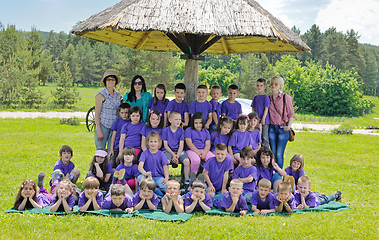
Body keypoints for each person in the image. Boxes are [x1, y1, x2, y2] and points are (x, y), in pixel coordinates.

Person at [268, 76, 295, 169]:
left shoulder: (285, 97)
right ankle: (273, 173)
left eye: (275, 84)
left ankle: (279, 174)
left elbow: (291, 114)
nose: (273, 85)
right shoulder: (269, 98)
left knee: (279, 154)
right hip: (272, 128)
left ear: (280, 86)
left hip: (283, 128)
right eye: (271, 83)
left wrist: (288, 126)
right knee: (273, 153)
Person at [95, 70, 123, 152]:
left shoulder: (119, 95)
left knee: (111, 152)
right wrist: (99, 130)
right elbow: (97, 115)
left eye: (113, 79)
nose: (111, 81)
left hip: (114, 127)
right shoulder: (100, 95)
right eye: (108, 79)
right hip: (103, 125)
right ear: (105, 81)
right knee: (101, 152)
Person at [162, 111, 191, 189]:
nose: (179, 121)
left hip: (178, 151)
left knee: (186, 161)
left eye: (180, 119)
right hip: (168, 151)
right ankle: (166, 179)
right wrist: (173, 155)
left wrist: (177, 156)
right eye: (176, 119)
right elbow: (165, 145)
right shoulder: (165, 130)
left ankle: (186, 180)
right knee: (166, 161)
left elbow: (181, 145)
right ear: (170, 120)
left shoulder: (181, 131)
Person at [138, 131, 170, 197]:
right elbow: (140, 166)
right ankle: (140, 196)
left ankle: (161, 196)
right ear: (148, 143)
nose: (153, 143)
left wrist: (166, 177)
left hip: (158, 177)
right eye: (151, 141)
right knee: (139, 179)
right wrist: (145, 173)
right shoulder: (144, 153)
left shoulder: (161, 154)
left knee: (164, 186)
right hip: (147, 176)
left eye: (155, 142)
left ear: (159, 143)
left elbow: (165, 167)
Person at [109, 102, 131, 168]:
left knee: (119, 161)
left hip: (125, 147)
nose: (124, 115)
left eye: (126, 113)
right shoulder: (117, 121)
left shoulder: (130, 122)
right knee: (112, 163)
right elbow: (113, 135)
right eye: (122, 113)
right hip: (116, 146)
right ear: (119, 112)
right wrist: (111, 148)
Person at [251, 78, 270, 147]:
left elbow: (266, 108)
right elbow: (253, 108)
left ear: (264, 86)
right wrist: (254, 119)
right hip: (256, 121)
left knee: (264, 137)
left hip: (264, 121)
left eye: (261, 85)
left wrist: (263, 119)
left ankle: (265, 150)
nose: (259, 87)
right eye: (258, 85)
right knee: (257, 136)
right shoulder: (255, 97)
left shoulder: (266, 97)